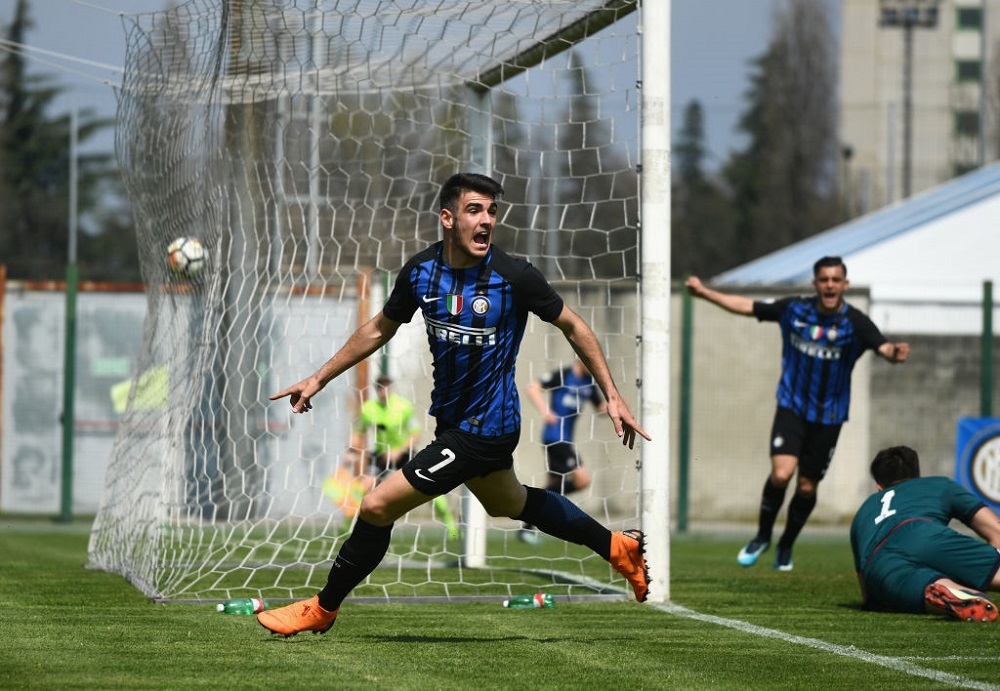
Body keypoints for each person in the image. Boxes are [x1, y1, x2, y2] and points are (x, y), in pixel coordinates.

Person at [258, 172, 652, 637]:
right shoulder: (421, 272)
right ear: (447, 218)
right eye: (474, 210)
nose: (486, 221)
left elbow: (574, 326)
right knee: (509, 502)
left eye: (492, 212)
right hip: (452, 423)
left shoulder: (514, 276)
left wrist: (613, 396)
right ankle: (617, 547)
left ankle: (322, 608)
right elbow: (379, 329)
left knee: (377, 505)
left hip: (486, 428)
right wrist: (319, 377)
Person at [685, 256, 910, 571]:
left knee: (806, 486)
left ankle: (786, 544)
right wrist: (705, 293)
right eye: (824, 279)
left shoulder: (855, 323)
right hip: (791, 407)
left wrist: (895, 353)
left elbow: (884, 348)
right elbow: (748, 306)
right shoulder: (794, 310)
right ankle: (762, 536)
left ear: (844, 285)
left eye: (835, 280)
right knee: (781, 474)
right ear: (815, 283)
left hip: (829, 418)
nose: (829, 285)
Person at [850, 445, 1000, 621]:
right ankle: (958, 590)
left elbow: (866, 592)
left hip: (879, 562)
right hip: (923, 534)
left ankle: (954, 593)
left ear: (879, 486)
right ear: (918, 474)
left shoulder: (863, 511)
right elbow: (995, 529)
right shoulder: (939, 485)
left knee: (928, 588)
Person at [346, 374, 460, 539]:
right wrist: (351, 452)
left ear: (391, 388)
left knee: (430, 485)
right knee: (364, 485)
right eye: (380, 389)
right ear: (377, 390)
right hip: (381, 455)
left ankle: (451, 527)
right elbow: (359, 433)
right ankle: (346, 527)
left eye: (387, 388)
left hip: (404, 453)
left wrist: (398, 450)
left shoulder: (403, 406)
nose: (384, 392)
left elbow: (415, 435)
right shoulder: (369, 409)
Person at [518, 358, 606, 544]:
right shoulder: (564, 375)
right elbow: (532, 387)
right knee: (582, 480)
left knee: (554, 485)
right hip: (555, 437)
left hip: (566, 440)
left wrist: (618, 407)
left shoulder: (588, 383)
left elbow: (600, 408)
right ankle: (534, 505)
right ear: (581, 358)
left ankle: (527, 526)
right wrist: (545, 411)